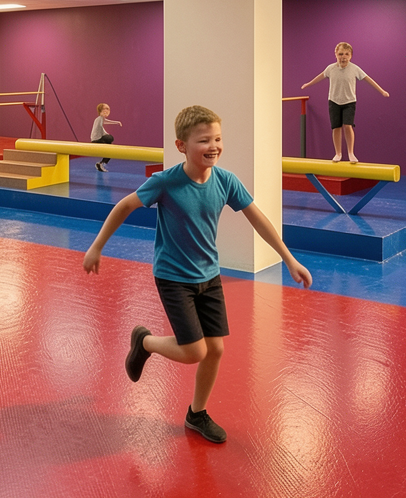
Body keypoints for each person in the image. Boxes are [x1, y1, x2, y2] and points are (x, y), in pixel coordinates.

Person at [82, 105, 313, 443]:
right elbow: (124, 206)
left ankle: (197, 414)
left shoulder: (225, 181)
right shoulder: (166, 182)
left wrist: (288, 259)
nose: (213, 146)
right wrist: (96, 246)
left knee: (215, 349)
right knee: (195, 351)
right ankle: (144, 342)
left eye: (217, 139)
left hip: (209, 276)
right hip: (173, 276)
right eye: (204, 140)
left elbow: (258, 219)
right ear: (182, 146)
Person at [299, 41, 389, 163]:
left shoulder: (355, 69)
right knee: (336, 127)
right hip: (334, 101)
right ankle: (338, 153)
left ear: (351, 55)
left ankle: (351, 153)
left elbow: (369, 79)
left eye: (347, 54)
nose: (343, 57)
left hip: (349, 102)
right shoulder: (330, 68)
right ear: (335, 54)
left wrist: (382, 91)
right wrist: (308, 84)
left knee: (347, 126)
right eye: (341, 54)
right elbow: (320, 76)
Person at [90, 103, 123, 172]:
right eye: (106, 109)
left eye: (109, 109)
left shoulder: (100, 119)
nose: (108, 111)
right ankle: (102, 163)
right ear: (101, 110)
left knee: (111, 149)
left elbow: (105, 123)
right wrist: (106, 134)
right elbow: (100, 128)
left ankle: (101, 164)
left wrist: (117, 122)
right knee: (110, 138)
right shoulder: (99, 118)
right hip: (97, 140)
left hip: (98, 139)